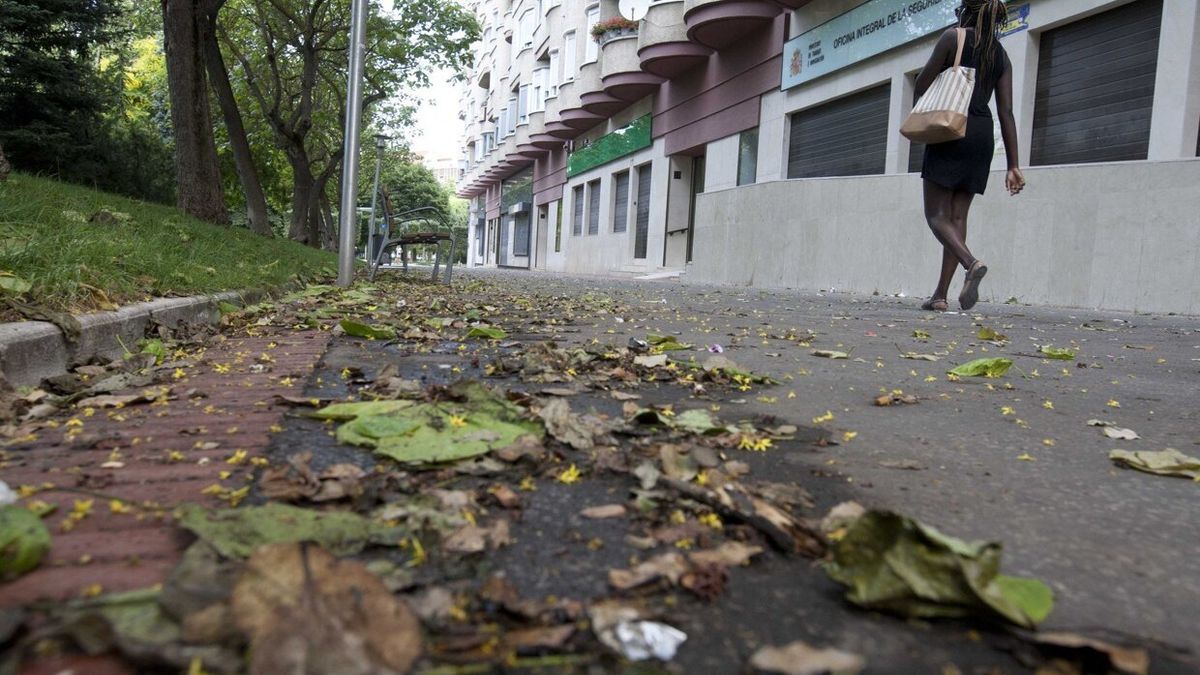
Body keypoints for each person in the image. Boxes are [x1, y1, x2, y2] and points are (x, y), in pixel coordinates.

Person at [915, 0, 1025, 312]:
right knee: (958, 217)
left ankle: (971, 262)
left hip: (951, 126)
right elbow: (1006, 111)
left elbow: (922, 85)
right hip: (981, 133)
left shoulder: (954, 38)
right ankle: (939, 295)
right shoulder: (1000, 55)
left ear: (966, 11)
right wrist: (1013, 164)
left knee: (936, 215)